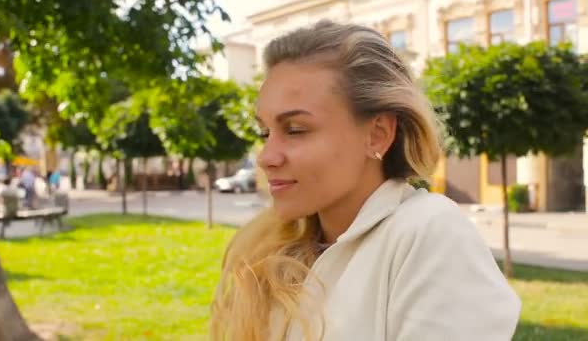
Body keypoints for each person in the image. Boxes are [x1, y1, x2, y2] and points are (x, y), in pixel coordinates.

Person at [210, 21, 521, 341]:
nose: (266, 156)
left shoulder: (428, 231)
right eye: (265, 132)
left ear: (378, 134)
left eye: (295, 130)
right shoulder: (275, 251)